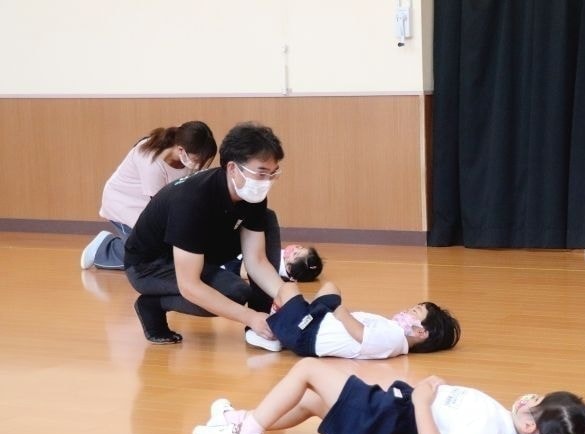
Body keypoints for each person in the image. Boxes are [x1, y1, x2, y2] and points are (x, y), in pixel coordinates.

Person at [191, 358, 585, 434]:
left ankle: (246, 433)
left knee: (308, 368)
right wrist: (435, 392)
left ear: (529, 424)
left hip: (383, 420)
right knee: (313, 401)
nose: (529, 398)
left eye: (535, 403)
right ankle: (242, 421)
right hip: (386, 416)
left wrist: (421, 401)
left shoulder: (493, 429)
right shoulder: (500, 423)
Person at [123, 121, 286, 344]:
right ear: (232, 168)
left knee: (267, 219)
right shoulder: (191, 200)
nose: (266, 182)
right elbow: (189, 285)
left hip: (196, 253)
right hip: (149, 267)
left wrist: (288, 296)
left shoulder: (251, 196)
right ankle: (153, 304)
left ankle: (262, 321)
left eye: (272, 174)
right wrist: (249, 316)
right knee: (234, 293)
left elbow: (256, 260)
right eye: (261, 173)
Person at [80, 121, 218, 270]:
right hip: (124, 204)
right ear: (180, 150)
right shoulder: (152, 163)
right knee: (148, 259)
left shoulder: (185, 143)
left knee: (170, 249)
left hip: (150, 206)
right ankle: (103, 248)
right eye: (196, 160)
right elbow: (159, 212)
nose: (198, 166)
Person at [244, 280, 461, 358]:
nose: (407, 311)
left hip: (306, 334)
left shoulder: (395, 338)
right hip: (319, 323)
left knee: (288, 288)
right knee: (331, 288)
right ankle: (286, 323)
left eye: (414, 312)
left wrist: (340, 311)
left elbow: (360, 334)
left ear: (421, 332)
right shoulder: (394, 335)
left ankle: (272, 334)